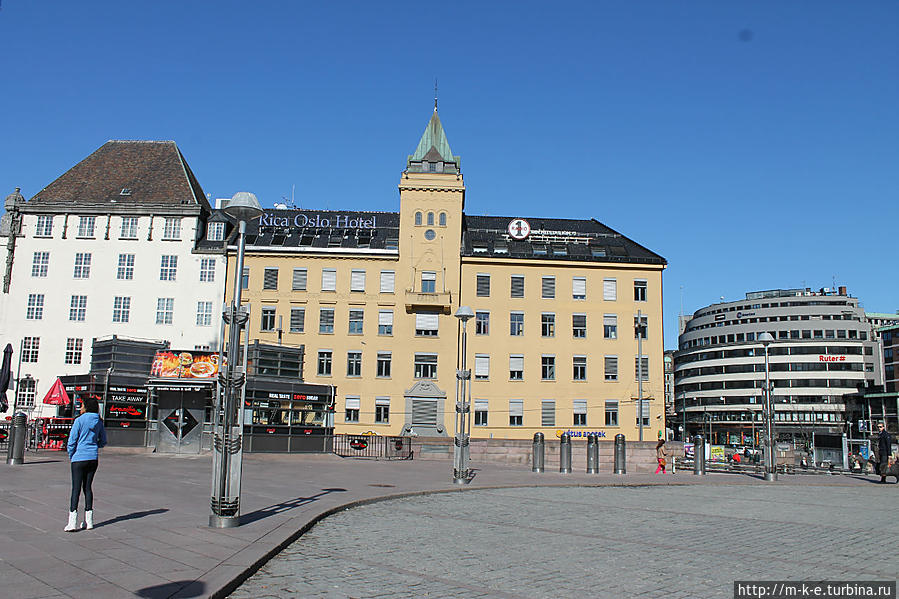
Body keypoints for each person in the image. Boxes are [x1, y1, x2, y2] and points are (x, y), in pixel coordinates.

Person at [65, 397, 107, 531]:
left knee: (75, 489)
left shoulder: (79, 420)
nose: (80, 407)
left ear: (86, 407)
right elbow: (103, 441)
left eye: (82, 405)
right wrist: (94, 445)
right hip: (93, 457)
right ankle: (89, 521)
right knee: (87, 488)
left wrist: (72, 454)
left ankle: (72, 522)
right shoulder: (99, 422)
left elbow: (72, 441)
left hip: (79, 457)